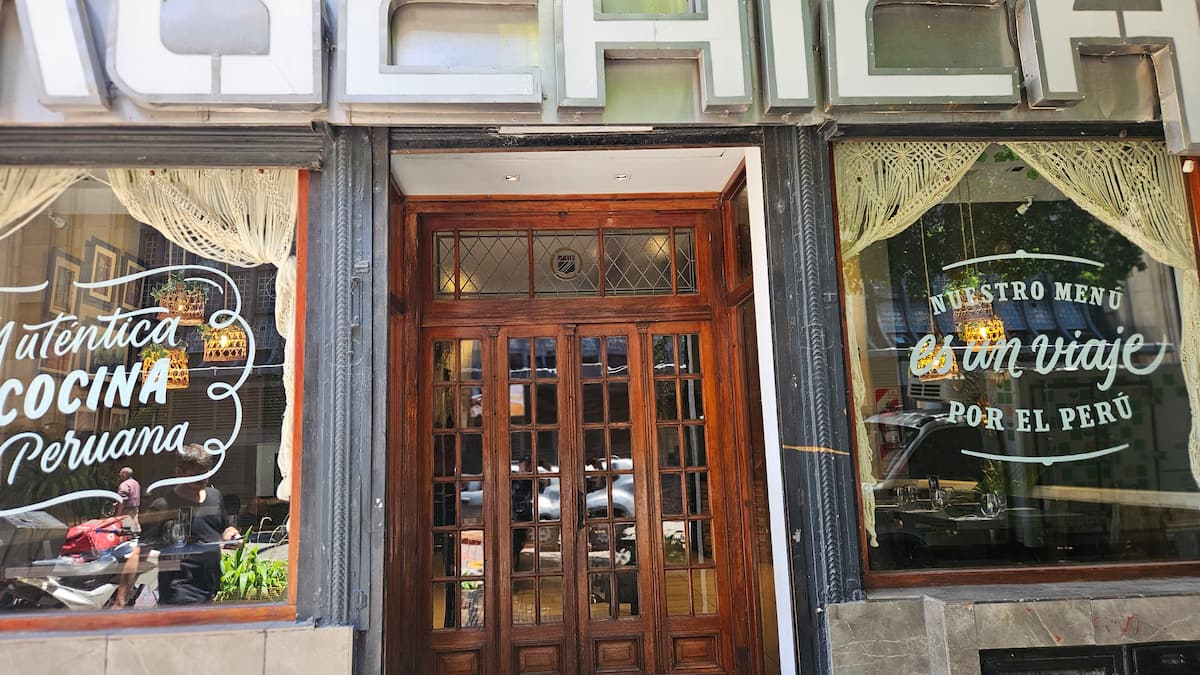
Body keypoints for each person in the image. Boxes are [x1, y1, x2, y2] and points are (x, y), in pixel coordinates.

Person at [143, 444, 240, 605]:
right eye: (196, 476)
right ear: (179, 473)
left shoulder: (214, 496)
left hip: (210, 589)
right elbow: (142, 551)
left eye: (206, 474)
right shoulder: (163, 506)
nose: (202, 481)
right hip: (179, 592)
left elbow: (225, 526)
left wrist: (231, 534)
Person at [116, 466, 141, 532]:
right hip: (135, 509)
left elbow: (123, 500)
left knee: (126, 530)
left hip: (126, 511)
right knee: (135, 528)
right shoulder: (136, 483)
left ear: (125, 474)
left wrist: (118, 515)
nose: (119, 474)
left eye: (121, 473)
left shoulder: (124, 484)